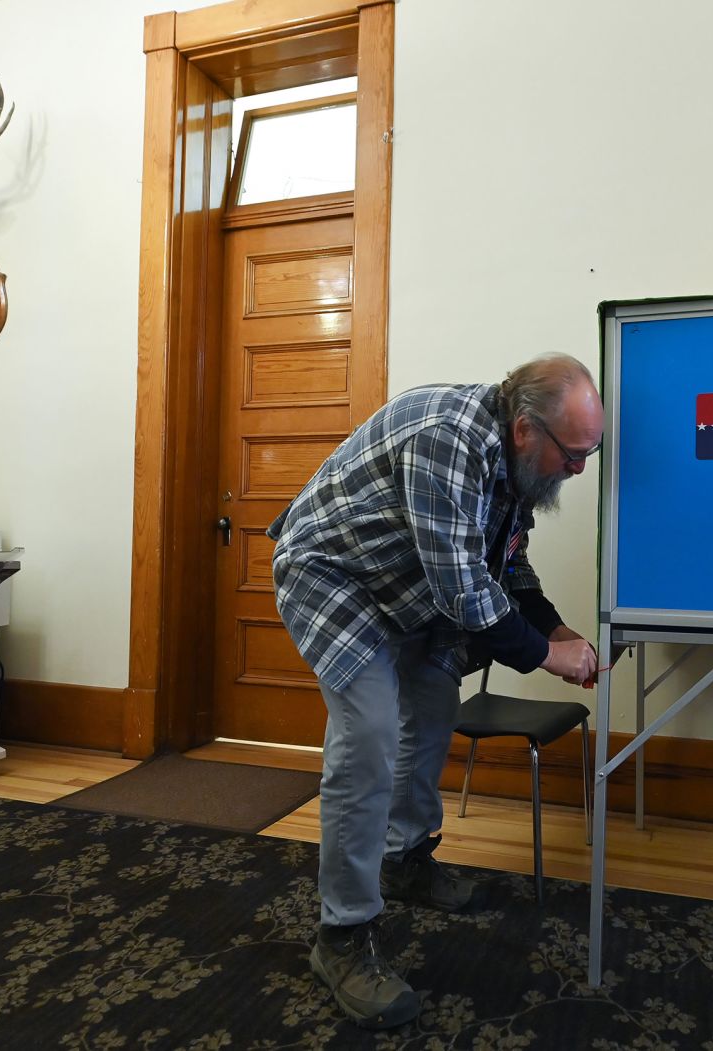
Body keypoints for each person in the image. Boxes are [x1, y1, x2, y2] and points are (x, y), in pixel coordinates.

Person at [268, 353, 602, 1029]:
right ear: (526, 430)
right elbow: (465, 590)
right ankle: (341, 936)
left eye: (591, 452)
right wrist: (548, 657)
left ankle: (405, 859)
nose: (579, 470)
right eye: (573, 453)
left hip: (406, 588)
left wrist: (559, 629)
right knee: (369, 737)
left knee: (433, 707)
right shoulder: (446, 438)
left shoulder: (511, 468)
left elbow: (507, 566)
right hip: (332, 575)